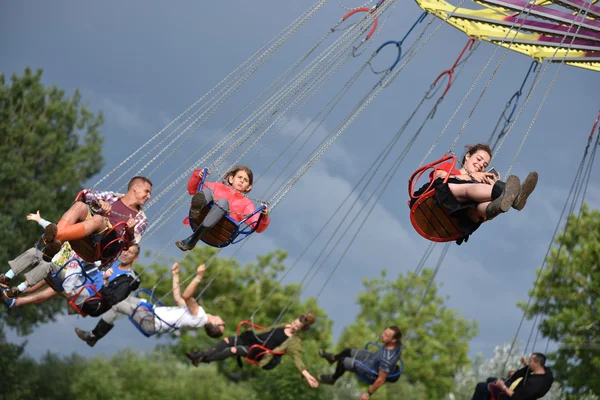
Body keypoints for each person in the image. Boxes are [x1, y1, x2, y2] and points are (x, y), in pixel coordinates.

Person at [411, 143, 538, 243]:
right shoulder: (451, 168)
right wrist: (471, 176)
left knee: (477, 209)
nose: (481, 165)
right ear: (467, 156)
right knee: (467, 190)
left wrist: (490, 185)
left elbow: (484, 216)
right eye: (479, 159)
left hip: (461, 216)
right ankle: (507, 193)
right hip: (440, 196)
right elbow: (440, 176)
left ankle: (505, 196)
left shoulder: (477, 185)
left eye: (485, 165)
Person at [74, 263, 224, 346]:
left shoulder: (201, 316)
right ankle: (86, 307)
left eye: (222, 324)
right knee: (121, 299)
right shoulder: (198, 319)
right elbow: (178, 298)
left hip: (151, 319)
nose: (223, 321)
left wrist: (199, 276)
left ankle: (92, 332)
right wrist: (176, 275)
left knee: (117, 303)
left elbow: (186, 295)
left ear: (216, 324)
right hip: (151, 316)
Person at [185, 313, 319, 389]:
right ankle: (200, 356)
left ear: (301, 329)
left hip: (260, 351)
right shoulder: (285, 325)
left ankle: (201, 357)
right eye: (295, 322)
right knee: (227, 340)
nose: (293, 325)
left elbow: (297, 359)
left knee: (233, 349)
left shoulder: (294, 342)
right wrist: (254, 331)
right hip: (254, 339)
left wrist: (307, 375)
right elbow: (267, 331)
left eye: (297, 326)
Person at [38, 176, 152, 262]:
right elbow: (85, 194)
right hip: (87, 234)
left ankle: (54, 236)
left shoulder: (141, 219)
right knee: (80, 206)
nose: (149, 197)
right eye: (147, 192)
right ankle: (54, 245)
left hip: (103, 248)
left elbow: (131, 244)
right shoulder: (112, 197)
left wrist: (130, 230)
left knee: (99, 219)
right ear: (135, 188)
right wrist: (99, 202)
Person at [176, 166, 270, 251]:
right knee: (208, 191)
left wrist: (264, 216)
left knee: (223, 202)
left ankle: (194, 237)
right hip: (203, 215)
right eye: (239, 177)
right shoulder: (217, 186)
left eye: (245, 180)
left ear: (248, 187)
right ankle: (197, 208)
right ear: (231, 178)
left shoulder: (246, 204)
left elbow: (257, 226)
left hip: (221, 229)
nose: (241, 181)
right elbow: (192, 189)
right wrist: (198, 176)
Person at [317, 326, 403, 399]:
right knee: (348, 351)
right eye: (384, 333)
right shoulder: (398, 345)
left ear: (393, 340)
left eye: (386, 336)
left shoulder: (386, 360)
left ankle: (332, 378)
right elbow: (398, 335)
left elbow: (381, 380)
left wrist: (368, 394)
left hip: (370, 372)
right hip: (373, 359)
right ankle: (333, 358)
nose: (382, 335)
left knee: (343, 361)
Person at [471, 353, 554, 400]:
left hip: (509, 394)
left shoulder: (534, 384)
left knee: (481, 387)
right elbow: (534, 370)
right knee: (490, 379)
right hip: (513, 384)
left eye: (530, 361)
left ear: (536, 364)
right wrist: (526, 364)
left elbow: (517, 397)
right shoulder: (546, 371)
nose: (529, 362)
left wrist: (503, 387)